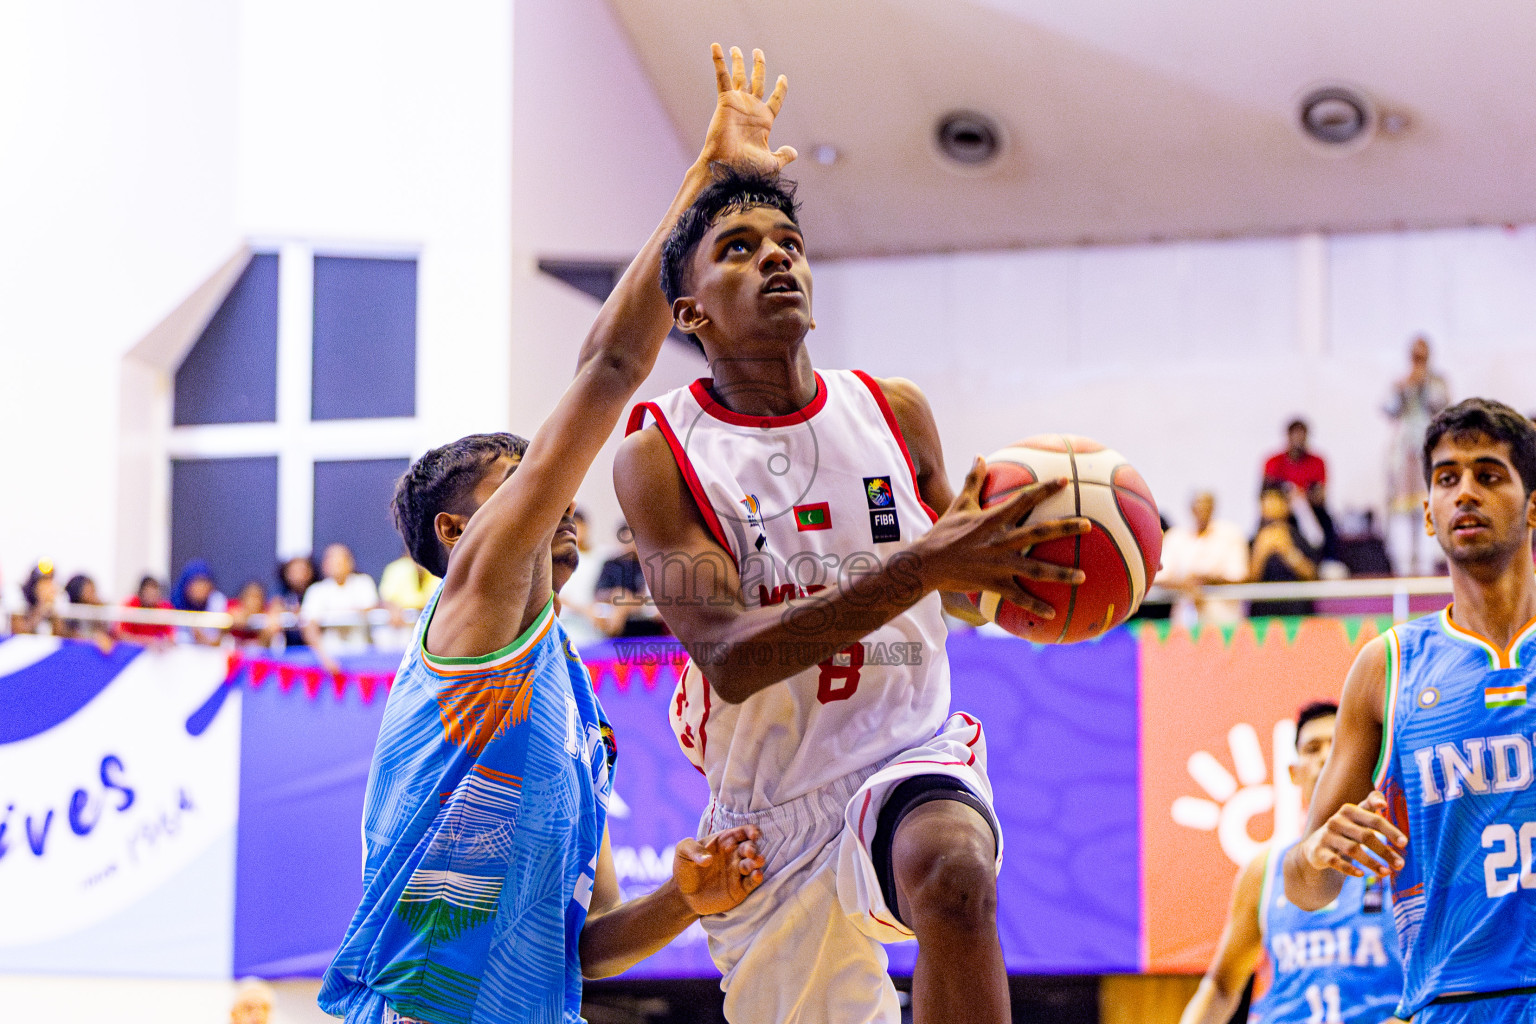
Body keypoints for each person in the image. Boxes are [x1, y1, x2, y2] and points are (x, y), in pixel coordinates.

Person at [318, 44, 792, 1024]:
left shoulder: (573, 706)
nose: (561, 498)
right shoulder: (480, 603)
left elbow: (584, 947)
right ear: (463, 528)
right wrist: (706, 184)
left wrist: (683, 902)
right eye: (524, 482)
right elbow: (612, 365)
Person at [613, 60, 1091, 1024]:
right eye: (739, 248)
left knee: (954, 877)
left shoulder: (892, 411)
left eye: (787, 241)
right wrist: (925, 566)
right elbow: (731, 657)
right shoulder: (658, 454)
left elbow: (957, 588)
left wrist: (1029, 575)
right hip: (768, 810)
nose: (776, 257)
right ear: (691, 310)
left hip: (908, 748)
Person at [1284, 398, 1536, 1023]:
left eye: (1490, 474)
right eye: (1448, 478)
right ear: (1426, 512)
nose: (1465, 493)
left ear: (1534, 505)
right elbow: (1304, 885)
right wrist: (1320, 853)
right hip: (1448, 1003)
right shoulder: (1386, 666)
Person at [1179, 701, 1403, 1024]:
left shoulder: (1399, 854)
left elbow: (1444, 978)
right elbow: (1222, 985)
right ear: (1294, 773)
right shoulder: (1264, 870)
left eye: (1337, 745)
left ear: (1365, 763)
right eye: (1312, 749)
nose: (1326, 757)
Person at [1384, 335, 1450, 577]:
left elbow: (1442, 405)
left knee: (1429, 503)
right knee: (1401, 508)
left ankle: (1425, 563)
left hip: (1429, 447)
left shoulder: (1438, 381)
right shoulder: (1401, 382)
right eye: (1415, 354)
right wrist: (1403, 387)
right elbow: (1388, 410)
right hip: (1404, 453)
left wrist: (1423, 383)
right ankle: (1402, 564)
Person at [1156, 491, 1250, 629]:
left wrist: (1204, 581)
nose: (1202, 510)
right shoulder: (1176, 537)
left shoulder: (1231, 535)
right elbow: (1160, 577)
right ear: (1191, 508)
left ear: (1213, 507)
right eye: (1198, 505)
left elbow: (1240, 575)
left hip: (1225, 622)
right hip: (1183, 624)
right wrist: (1185, 585)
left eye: (1206, 505)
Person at [1263, 418, 1337, 562]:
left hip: (1309, 509)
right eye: (1295, 434)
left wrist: (1301, 495)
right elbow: (1266, 494)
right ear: (1288, 436)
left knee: (1325, 522)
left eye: (1302, 435)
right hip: (1283, 510)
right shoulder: (1274, 462)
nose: (1299, 439)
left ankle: (1328, 560)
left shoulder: (1317, 461)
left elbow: (1320, 496)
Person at [300, 543, 379, 672]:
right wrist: (324, 658)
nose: (335, 564)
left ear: (350, 562)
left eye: (339, 560)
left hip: (362, 658)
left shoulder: (363, 583)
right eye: (330, 559)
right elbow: (309, 626)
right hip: (331, 657)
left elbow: (370, 608)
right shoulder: (316, 591)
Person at [1249, 487, 1321, 618]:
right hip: (1263, 613)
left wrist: (1288, 552)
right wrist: (1261, 552)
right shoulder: (1255, 540)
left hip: (1297, 611)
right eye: (1267, 502)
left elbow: (1312, 573)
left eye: (1275, 501)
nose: (1271, 506)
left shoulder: (1300, 537)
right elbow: (1249, 579)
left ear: (1286, 505)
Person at [593, 521, 668, 637]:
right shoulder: (611, 564)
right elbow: (599, 593)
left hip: (643, 612)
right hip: (616, 609)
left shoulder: (647, 565)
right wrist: (616, 594)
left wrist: (628, 600)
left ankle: (613, 632)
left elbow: (652, 597)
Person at [555, 507, 608, 646]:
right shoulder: (562, 559)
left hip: (596, 625)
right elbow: (561, 596)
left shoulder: (602, 556)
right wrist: (586, 611)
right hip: (571, 624)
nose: (579, 532)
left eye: (581, 526)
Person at [172, 558, 227, 645]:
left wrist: (202, 638)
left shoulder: (217, 601)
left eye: (204, 583)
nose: (200, 588)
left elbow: (221, 639)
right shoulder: (175, 603)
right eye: (196, 583)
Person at [60, 573, 115, 652]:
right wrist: (94, 638)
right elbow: (71, 635)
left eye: (93, 590)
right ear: (78, 592)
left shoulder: (98, 609)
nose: (93, 594)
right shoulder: (70, 613)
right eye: (89, 590)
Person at [116, 575, 174, 644]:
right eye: (148, 592)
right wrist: (147, 642)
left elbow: (171, 636)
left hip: (157, 650)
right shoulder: (132, 605)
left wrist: (161, 643)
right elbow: (121, 634)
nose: (151, 596)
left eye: (154, 592)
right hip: (134, 648)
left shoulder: (164, 608)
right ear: (141, 592)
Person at [276, 555, 316, 648]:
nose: (298, 574)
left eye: (302, 570)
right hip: (289, 649)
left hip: (313, 648)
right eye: (293, 571)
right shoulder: (281, 594)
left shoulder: (317, 592)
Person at [228, 581, 282, 650]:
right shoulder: (232, 611)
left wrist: (267, 632)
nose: (253, 602)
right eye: (250, 596)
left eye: (257, 597)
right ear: (242, 598)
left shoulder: (268, 614)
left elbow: (264, 648)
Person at [11, 562, 60, 636]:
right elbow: (18, 633)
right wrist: (41, 609)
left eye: (50, 581)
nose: (47, 587)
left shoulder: (56, 597)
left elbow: (61, 637)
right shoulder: (18, 595)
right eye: (44, 581)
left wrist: (53, 611)